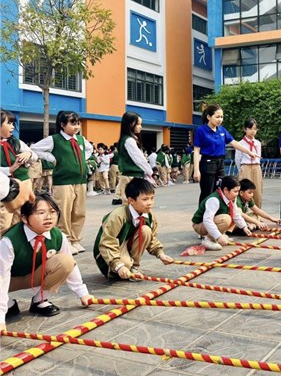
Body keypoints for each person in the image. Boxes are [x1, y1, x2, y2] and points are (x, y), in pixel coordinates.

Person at [0, 193, 92, 332]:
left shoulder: (58, 236)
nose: (48, 217)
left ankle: (40, 300)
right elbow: (2, 276)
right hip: (9, 279)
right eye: (41, 213)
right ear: (24, 218)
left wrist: (83, 294)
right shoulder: (9, 241)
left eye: (52, 212)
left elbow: (71, 266)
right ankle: (8, 304)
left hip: (34, 275)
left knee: (66, 261)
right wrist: (1, 317)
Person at [31, 111, 93, 254]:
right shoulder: (54, 139)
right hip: (63, 182)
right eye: (73, 123)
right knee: (64, 212)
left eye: (78, 123)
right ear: (63, 125)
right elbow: (34, 148)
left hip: (80, 181)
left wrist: (83, 160)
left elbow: (89, 150)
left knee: (79, 212)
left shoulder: (81, 140)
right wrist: (52, 158)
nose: (76, 126)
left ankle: (76, 240)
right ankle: (66, 240)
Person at [94, 178, 173, 280]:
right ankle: (122, 267)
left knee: (146, 230)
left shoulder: (149, 215)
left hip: (127, 246)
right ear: (131, 200)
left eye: (152, 198)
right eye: (145, 199)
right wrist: (118, 265)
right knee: (125, 265)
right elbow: (107, 243)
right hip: (107, 253)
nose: (150, 203)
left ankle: (134, 267)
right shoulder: (118, 216)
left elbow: (151, 238)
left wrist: (160, 254)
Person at [193, 104, 258, 203]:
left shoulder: (222, 130)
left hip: (220, 163)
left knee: (221, 191)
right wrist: (196, 170)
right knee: (207, 192)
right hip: (208, 164)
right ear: (209, 117)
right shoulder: (201, 131)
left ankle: (218, 212)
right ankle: (203, 212)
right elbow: (196, 151)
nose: (220, 119)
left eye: (221, 117)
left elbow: (234, 143)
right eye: (217, 117)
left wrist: (249, 152)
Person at [1, 110, 37, 235]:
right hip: (5, 188)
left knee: (20, 217)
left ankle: (15, 243)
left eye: (13, 123)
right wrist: (9, 169)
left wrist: (28, 154)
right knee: (4, 221)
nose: (12, 127)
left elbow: (35, 156)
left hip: (24, 183)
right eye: (9, 123)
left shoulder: (15, 142)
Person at [191, 176, 249, 251]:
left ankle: (217, 236)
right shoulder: (214, 200)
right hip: (200, 224)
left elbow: (235, 213)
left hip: (210, 222)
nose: (237, 194)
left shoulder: (231, 198)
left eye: (238, 191)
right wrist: (218, 236)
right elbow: (207, 220)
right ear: (225, 190)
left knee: (229, 216)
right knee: (226, 219)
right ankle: (209, 240)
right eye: (235, 191)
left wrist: (244, 227)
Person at [111, 112, 155, 206]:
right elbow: (139, 159)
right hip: (131, 177)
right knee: (133, 205)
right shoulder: (129, 140)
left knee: (130, 204)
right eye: (138, 124)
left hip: (129, 176)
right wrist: (150, 172)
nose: (140, 127)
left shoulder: (126, 139)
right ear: (130, 124)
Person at [234, 118, 263, 208]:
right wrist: (242, 170)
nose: (253, 131)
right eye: (250, 128)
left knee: (257, 191)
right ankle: (244, 212)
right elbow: (237, 159)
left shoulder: (258, 143)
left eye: (255, 129)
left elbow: (258, 157)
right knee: (245, 191)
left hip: (256, 167)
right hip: (245, 167)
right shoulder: (240, 143)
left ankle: (257, 212)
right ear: (245, 129)